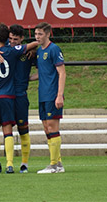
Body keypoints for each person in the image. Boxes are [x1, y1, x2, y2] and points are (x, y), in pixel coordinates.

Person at [0, 23, 38, 174]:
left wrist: (30, 78)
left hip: (18, 96)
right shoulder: (11, 51)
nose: (12, 41)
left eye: (16, 39)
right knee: (1, 129)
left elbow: (43, 67)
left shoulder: (27, 52)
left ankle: (23, 164)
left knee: (22, 130)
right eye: (10, 38)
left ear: (22, 39)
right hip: (8, 96)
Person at [34, 22, 66, 174]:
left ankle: (53, 165)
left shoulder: (54, 49)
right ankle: (58, 163)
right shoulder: (39, 51)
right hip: (43, 95)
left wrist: (59, 95)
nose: (37, 37)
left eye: (40, 34)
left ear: (48, 34)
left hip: (52, 95)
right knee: (47, 129)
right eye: (35, 34)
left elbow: (62, 72)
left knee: (53, 128)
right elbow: (43, 73)